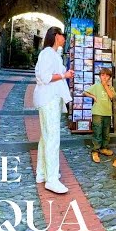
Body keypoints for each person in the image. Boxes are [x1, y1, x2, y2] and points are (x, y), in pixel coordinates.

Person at [33, 27, 74, 194]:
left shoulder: (52, 54)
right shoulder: (48, 53)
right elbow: (44, 76)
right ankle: (52, 179)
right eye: (63, 35)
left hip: (50, 99)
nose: (65, 38)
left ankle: (42, 173)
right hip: (49, 99)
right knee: (52, 138)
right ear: (56, 36)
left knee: (46, 137)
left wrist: (65, 74)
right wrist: (64, 76)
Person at [83, 67, 116, 163]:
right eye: (102, 75)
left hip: (107, 112)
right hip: (97, 112)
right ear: (100, 77)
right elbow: (85, 92)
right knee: (97, 131)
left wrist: (106, 86)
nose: (105, 77)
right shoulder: (96, 86)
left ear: (110, 77)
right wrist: (93, 96)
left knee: (106, 131)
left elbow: (111, 96)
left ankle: (103, 148)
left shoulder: (111, 87)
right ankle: (95, 150)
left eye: (107, 75)